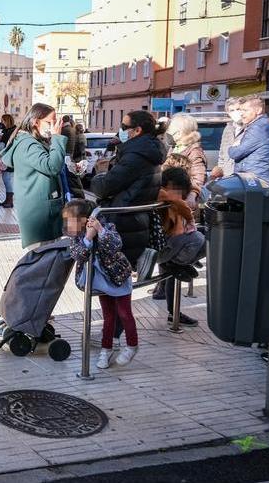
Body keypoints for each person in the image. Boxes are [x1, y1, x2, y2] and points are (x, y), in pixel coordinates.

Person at [66, 199, 137, 369]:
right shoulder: (77, 238)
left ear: (86, 219)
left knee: (124, 312)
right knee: (109, 316)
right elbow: (78, 255)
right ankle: (106, 349)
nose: (68, 224)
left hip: (118, 276)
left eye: (72, 220)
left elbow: (116, 245)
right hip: (99, 280)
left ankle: (132, 345)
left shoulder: (108, 228)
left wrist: (100, 230)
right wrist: (88, 238)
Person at [91, 110, 164, 267]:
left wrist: (100, 174)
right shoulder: (147, 150)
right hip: (134, 221)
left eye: (124, 126)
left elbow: (104, 187)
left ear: (137, 130)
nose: (121, 130)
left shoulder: (135, 155)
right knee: (121, 277)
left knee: (114, 277)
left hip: (123, 222)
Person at [3, 103, 67, 248]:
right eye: (50, 122)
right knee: (42, 261)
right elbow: (52, 166)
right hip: (38, 214)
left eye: (55, 121)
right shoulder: (28, 145)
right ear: (35, 122)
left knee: (45, 261)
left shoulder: (33, 142)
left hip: (40, 211)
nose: (54, 126)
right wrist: (57, 138)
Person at [150, 166, 203, 326]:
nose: (180, 195)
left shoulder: (175, 195)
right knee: (199, 238)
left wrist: (193, 193)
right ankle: (177, 264)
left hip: (171, 244)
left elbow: (194, 185)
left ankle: (174, 313)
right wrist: (182, 200)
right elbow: (170, 196)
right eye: (176, 190)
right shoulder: (160, 195)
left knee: (204, 240)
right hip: (162, 246)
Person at [229, 95, 269, 183]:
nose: (241, 113)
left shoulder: (259, 128)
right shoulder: (257, 125)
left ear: (258, 110)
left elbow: (236, 153)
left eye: (245, 110)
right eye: (241, 110)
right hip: (253, 179)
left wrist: (232, 148)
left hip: (255, 181)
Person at [166, 113, 207, 205]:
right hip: (174, 195)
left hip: (185, 198)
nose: (167, 132)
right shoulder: (175, 147)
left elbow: (199, 176)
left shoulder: (194, 151)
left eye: (170, 129)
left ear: (179, 133)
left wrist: (192, 195)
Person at [211, 97, 244, 179]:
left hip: (243, 176)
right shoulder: (228, 128)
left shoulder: (250, 127)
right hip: (227, 175)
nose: (235, 112)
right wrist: (220, 170)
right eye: (232, 110)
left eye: (238, 109)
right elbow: (222, 154)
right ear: (228, 113)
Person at [0, 115, 17, 208]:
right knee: (5, 178)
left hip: (10, 158)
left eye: (2, 121)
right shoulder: (7, 131)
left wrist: (0, 138)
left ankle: (10, 200)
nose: (1, 123)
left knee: (8, 179)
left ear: (7, 121)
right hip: (6, 158)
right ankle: (7, 199)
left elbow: (7, 144)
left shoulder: (12, 132)